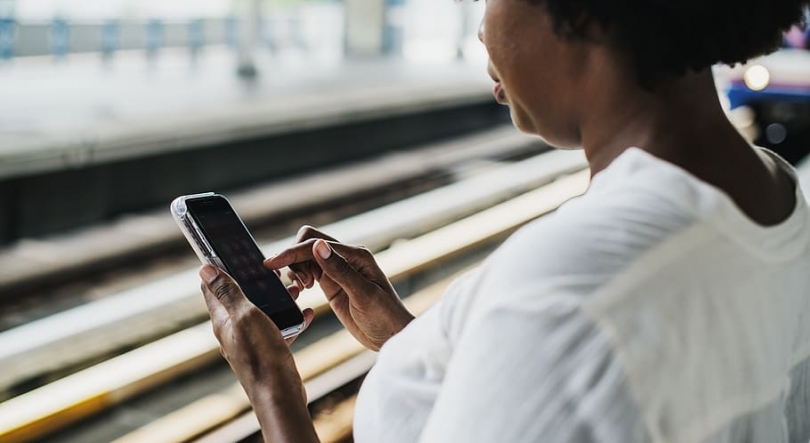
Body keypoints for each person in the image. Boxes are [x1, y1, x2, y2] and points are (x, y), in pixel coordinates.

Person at [198, 0, 810, 440]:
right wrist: (405, 338)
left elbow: (569, 338)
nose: (482, 30)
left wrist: (271, 387)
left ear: (586, 13)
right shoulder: (773, 191)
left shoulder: (566, 291)